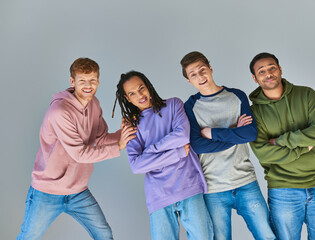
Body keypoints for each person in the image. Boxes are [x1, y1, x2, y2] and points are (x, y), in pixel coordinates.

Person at [17, 58, 136, 240]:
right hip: (47, 191)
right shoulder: (60, 111)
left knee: (104, 234)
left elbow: (102, 138)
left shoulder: (94, 104)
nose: (88, 86)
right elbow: (80, 154)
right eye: (82, 81)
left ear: (98, 81)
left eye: (93, 80)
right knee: (28, 238)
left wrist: (126, 133)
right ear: (72, 82)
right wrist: (119, 146)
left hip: (77, 190)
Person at [181, 51, 275, 240]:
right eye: (193, 74)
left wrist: (212, 133)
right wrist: (234, 132)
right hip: (213, 188)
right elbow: (198, 146)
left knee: (267, 236)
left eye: (202, 70)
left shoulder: (237, 96)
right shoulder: (190, 106)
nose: (200, 76)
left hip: (245, 181)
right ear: (189, 81)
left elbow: (249, 133)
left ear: (210, 69)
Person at [113, 70, 213, 240]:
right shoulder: (132, 126)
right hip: (158, 195)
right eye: (132, 93)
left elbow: (182, 135)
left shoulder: (173, 105)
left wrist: (150, 150)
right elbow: (137, 165)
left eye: (141, 88)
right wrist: (177, 152)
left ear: (148, 86)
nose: (140, 95)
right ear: (127, 99)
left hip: (189, 186)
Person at [249, 52, 315, 240]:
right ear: (255, 79)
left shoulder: (306, 95)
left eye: (272, 68)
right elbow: (264, 154)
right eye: (261, 71)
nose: (268, 73)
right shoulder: (254, 113)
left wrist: (281, 141)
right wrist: (304, 147)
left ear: (280, 69)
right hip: (283, 190)